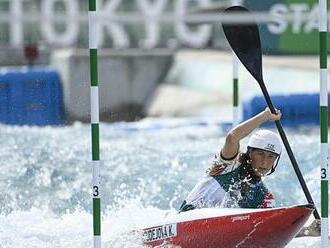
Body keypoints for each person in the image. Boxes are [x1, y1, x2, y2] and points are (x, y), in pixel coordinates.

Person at [179, 107, 282, 212]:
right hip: (186, 216)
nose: (265, 162)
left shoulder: (263, 196)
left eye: (271, 156)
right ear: (250, 153)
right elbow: (232, 137)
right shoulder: (229, 164)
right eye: (260, 154)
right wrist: (265, 116)